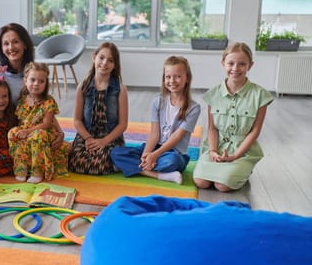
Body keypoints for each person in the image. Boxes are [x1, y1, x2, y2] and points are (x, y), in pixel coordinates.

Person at [0, 22, 65, 151]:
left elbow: (42, 107)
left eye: (15, 42)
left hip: (26, 131)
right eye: (6, 44)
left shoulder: (32, 74)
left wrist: (60, 131)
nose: (11, 47)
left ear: (24, 44)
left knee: (65, 150)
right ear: (1, 48)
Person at [193, 42, 273, 192]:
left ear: (250, 65)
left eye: (242, 64)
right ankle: (224, 167)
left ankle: (244, 168)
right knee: (201, 182)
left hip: (243, 151)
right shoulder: (213, 94)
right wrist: (212, 150)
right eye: (231, 63)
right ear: (223, 63)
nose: (235, 68)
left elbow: (254, 132)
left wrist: (235, 155)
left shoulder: (260, 95)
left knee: (222, 186)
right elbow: (212, 128)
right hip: (217, 146)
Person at [110, 56, 201, 184]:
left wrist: (154, 156)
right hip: (154, 148)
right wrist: (146, 155)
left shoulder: (194, 108)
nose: (172, 80)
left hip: (174, 153)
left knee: (172, 161)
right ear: (164, 79)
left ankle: (130, 167)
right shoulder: (157, 102)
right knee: (115, 153)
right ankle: (161, 175)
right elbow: (154, 134)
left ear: (187, 78)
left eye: (178, 76)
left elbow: (176, 137)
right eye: (168, 77)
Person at [68, 42, 128, 175]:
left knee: (100, 163)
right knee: (76, 161)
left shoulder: (120, 89)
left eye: (110, 60)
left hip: (110, 137)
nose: (105, 63)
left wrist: (103, 141)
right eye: (102, 57)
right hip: (87, 135)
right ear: (94, 57)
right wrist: (88, 138)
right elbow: (77, 121)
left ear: (114, 65)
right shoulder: (82, 87)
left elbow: (123, 125)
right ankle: (73, 144)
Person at [8, 62, 69, 183]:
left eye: (41, 81)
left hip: (44, 133)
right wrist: (21, 132)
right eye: (33, 80)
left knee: (38, 135)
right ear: (26, 80)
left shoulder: (48, 101)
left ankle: (38, 172)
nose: (36, 84)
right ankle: (21, 168)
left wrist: (27, 131)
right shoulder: (23, 100)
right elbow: (21, 121)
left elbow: (46, 124)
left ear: (46, 83)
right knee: (12, 132)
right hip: (28, 131)